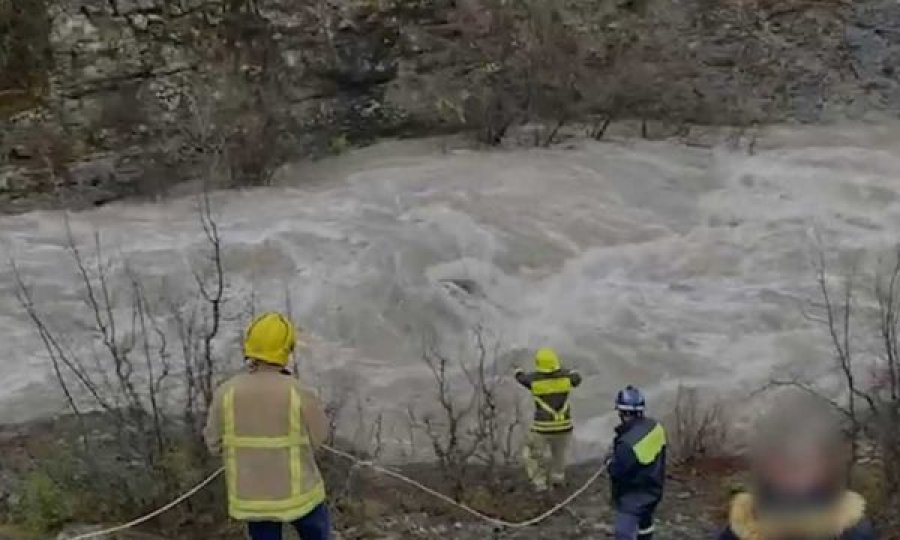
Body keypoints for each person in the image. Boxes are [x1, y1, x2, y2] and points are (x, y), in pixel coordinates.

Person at [204, 312, 330, 540]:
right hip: (301, 496)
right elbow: (319, 438)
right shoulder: (298, 392)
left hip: (253, 501)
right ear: (287, 349)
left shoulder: (226, 393)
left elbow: (213, 444)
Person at [716, 394, 876, 540]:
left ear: (825, 464)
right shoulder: (742, 523)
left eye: (800, 462)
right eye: (778, 458)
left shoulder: (851, 528)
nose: (787, 472)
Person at [515, 347, 582, 491]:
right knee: (559, 456)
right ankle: (558, 479)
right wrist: (571, 370)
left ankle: (540, 484)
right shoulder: (566, 379)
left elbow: (521, 378)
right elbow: (577, 378)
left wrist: (517, 370)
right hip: (564, 426)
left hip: (542, 427)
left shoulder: (533, 381)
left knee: (531, 454)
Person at [608, 385, 666, 540]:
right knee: (645, 523)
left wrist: (609, 462)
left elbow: (617, 471)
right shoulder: (655, 427)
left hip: (633, 496)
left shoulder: (627, 444)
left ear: (622, 412)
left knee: (623, 532)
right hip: (654, 488)